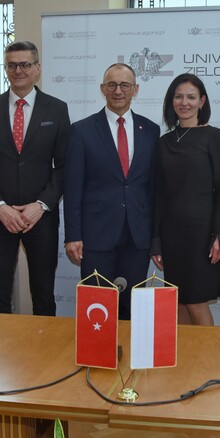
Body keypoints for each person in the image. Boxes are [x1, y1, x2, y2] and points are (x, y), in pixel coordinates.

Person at [0, 41, 71, 315]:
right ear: (6, 69)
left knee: (43, 296)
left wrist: (41, 205)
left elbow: (64, 166)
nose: (18, 71)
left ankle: (43, 344)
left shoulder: (57, 109)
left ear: (37, 68)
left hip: (40, 217)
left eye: (25, 64)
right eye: (12, 65)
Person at [64, 63, 159, 320]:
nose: (118, 91)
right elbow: (72, 188)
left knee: (131, 309)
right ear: (102, 89)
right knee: (97, 309)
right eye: (112, 85)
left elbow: (153, 189)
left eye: (125, 85)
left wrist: (156, 238)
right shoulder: (81, 131)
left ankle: (128, 348)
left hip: (137, 238)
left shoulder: (151, 130)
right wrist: (73, 235)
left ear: (135, 89)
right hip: (96, 237)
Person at [150, 73, 220, 326]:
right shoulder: (163, 142)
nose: (184, 102)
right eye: (179, 97)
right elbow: (159, 195)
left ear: (202, 102)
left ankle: (208, 353)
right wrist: (156, 241)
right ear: (171, 101)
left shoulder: (214, 137)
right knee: (179, 302)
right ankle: (184, 353)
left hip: (202, 235)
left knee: (196, 302)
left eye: (191, 97)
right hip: (171, 235)